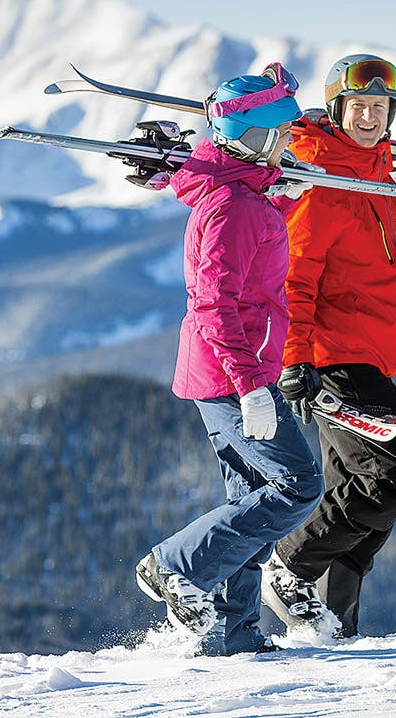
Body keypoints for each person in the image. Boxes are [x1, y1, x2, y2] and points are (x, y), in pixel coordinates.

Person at [261, 53, 396, 640]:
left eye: (381, 107)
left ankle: (332, 623)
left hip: (370, 352)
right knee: (392, 477)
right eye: (360, 107)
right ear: (337, 109)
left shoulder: (373, 169)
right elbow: (292, 280)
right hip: (335, 357)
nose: (371, 116)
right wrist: (295, 359)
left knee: (361, 488)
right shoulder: (321, 182)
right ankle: (290, 567)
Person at [135, 64, 325, 657]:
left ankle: (234, 634)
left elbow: (254, 260)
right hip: (230, 372)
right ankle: (174, 565)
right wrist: (250, 387)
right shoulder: (233, 205)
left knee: (251, 496)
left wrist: (281, 194)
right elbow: (214, 300)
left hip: (237, 366)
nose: (290, 142)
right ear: (255, 135)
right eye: (282, 133)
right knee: (298, 485)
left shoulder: (245, 193)